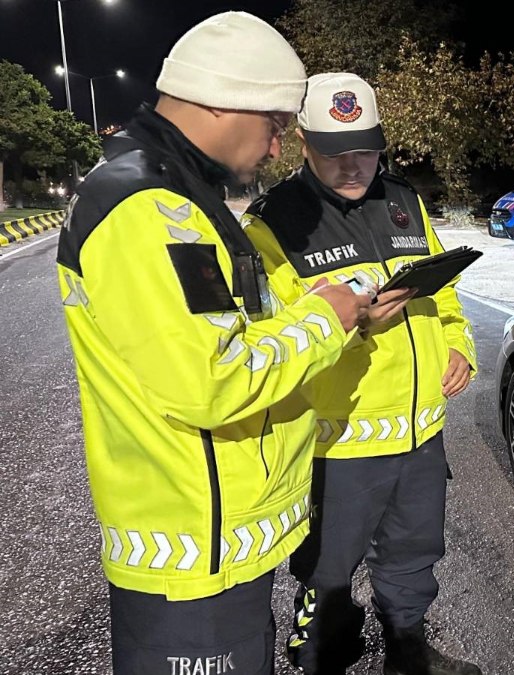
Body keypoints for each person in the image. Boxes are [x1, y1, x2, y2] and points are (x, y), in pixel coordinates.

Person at [55, 12, 373, 675]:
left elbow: (232, 329)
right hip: (193, 553)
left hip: (217, 541)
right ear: (226, 100)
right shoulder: (146, 207)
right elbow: (214, 377)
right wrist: (325, 321)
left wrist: (315, 309)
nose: (277, 147)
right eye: (276, 124)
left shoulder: (179, 195)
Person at [241, 73, 481, 675]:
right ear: (303, 142)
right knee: (326, 570)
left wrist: (457, 344)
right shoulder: (273, 224)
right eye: (334, 152)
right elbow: (267, 340)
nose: (353, 167)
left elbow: (443, 292)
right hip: (338, 443)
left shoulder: (404, 200)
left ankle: (407, 652)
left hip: (420, 432)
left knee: (414, 555)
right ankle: (321, 656)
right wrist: (355, 323)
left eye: (366, 150)